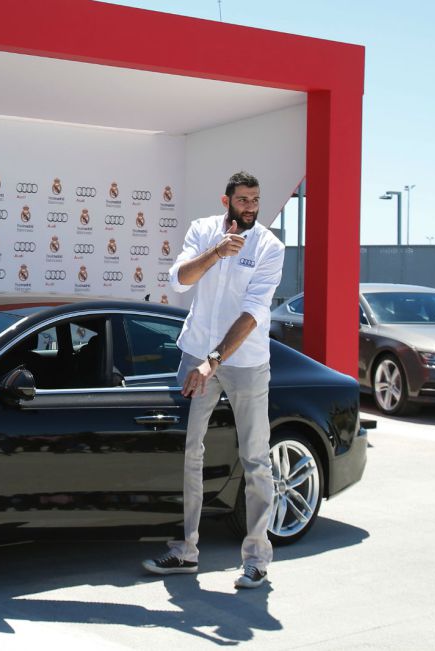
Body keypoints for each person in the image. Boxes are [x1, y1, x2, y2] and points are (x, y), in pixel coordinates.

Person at [142, 171, 284, 589]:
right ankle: (185, 550)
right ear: (227, 201)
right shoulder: (204, 231)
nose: (251, 207)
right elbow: (180, 279)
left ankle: (256, 558)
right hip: (194, 351)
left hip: (245, 362)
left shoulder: (270, 247)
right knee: (187, 452)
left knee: (256, 457)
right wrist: (216, 253)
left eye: (255, 199)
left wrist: (214, 362)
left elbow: (254, 312)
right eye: (243, 200)